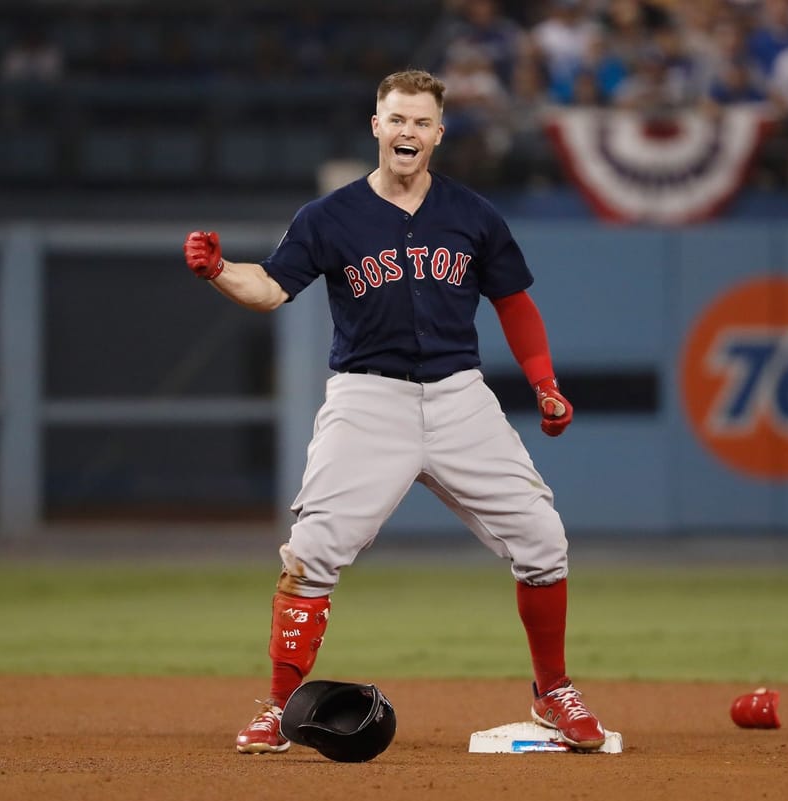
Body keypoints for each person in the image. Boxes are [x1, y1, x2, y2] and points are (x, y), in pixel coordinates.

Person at [181, 69, 608, 755]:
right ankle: (280, 705)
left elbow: (515, 303)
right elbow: (269, 287)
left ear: (439, 134)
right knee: (313, 549)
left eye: (421, 122)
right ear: (377, 127)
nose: (408, 131)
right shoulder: (329, 217)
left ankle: (553, 690)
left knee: (542, 537)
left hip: (458, 395)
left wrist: (543, 382)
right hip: (366, 397)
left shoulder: (472, 214)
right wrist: (218, 271)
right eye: (397, 119)